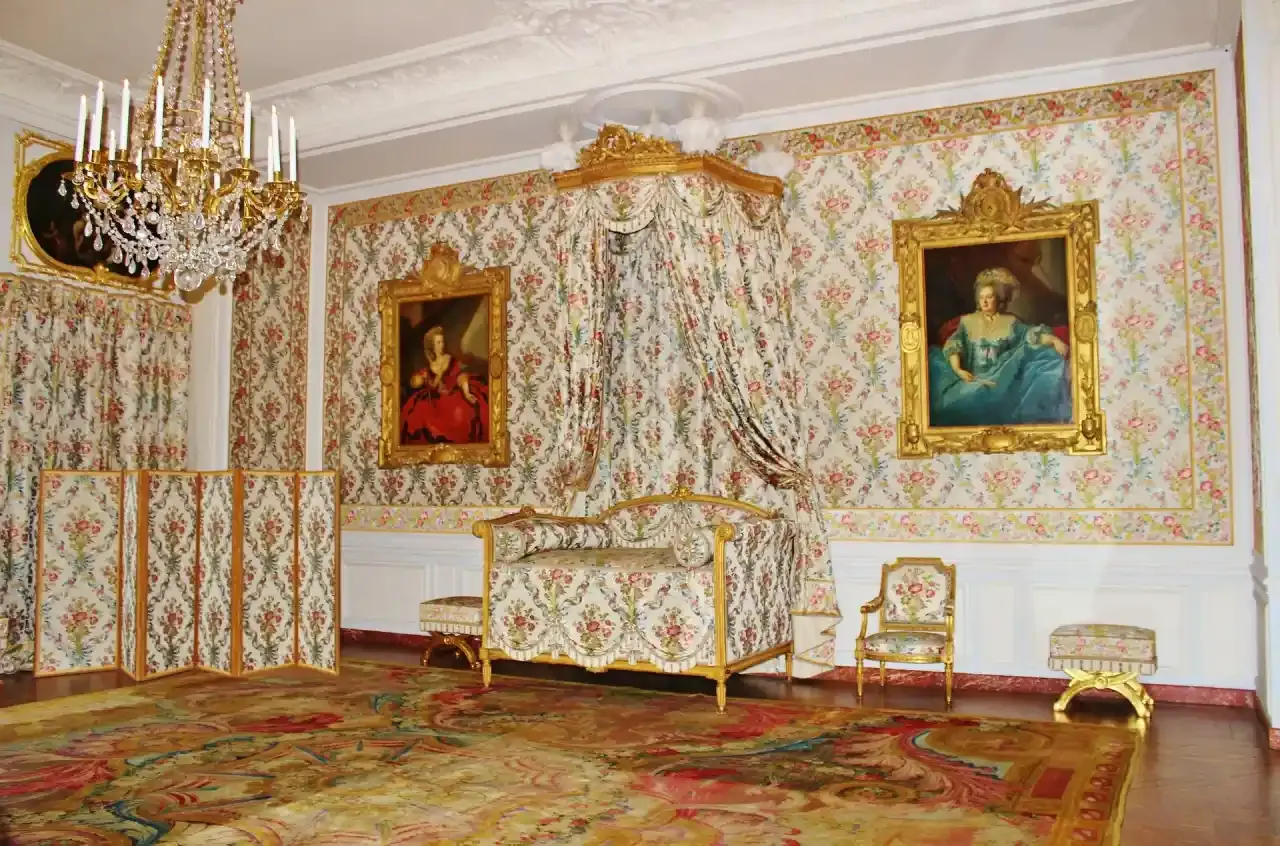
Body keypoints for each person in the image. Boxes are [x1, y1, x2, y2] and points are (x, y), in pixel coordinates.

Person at [927, 267, 1070, 428]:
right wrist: (958, 369)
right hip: (973, 378)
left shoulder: (1010, 322)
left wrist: (1054, 340)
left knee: (1043, 356)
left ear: (999, 298)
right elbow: (954, 345)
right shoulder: (967, 321)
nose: (985, 301)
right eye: (982, 297)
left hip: (1003, 377)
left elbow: (1031, 335)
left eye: (989, 297)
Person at [400, 326, 489, 445]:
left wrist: (467, 393)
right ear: (432, 345)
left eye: (442, 342)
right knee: (418, 414)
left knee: (460, 413)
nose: (441, 345)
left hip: (452, 393)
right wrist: (424, 378)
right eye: (438, 342)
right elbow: (418, 383)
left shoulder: (449, 358)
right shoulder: (429, 366)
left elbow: (461, 376)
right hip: (433, 399)